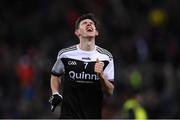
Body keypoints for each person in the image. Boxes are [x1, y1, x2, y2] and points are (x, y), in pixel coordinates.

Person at [49, 13, 114, 119]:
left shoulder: (106, 57)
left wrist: (102, 77)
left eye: (91, 23)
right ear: (77, 32)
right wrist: (55, 92)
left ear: (96, 32)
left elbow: (110, 91)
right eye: (84, 23)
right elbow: (55, 75)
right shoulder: (65, 55)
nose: (89, 24)